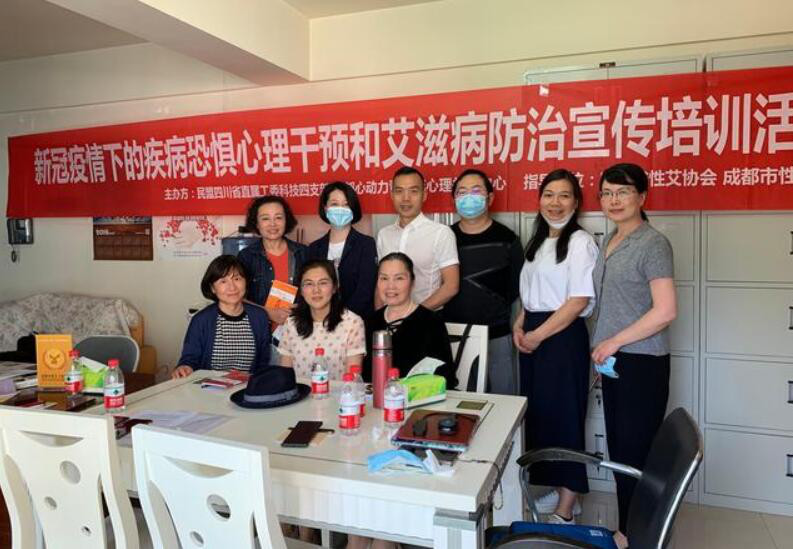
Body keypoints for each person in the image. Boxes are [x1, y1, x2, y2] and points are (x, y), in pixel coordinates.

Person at [590, 163, 677, 549]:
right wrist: (604, 351)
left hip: (642, 363)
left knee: (635, 454)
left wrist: (613, 342)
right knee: (621, 451)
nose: (614, 200)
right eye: (607, 193)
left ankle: (635, 535)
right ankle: (629, 529)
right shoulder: (610, 240)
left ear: (642, 196)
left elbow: (665, 311)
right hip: (615, 363)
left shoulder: (653, 243)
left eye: (623, 192)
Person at [514, 169, 598, 525]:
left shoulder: (580, 242)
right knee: (543, 416)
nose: (555, 203)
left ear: (576, 202)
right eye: (548, 195)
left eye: (564, 195)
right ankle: (564, 492)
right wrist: (520, 324)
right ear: (539, 200)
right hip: (536, 332)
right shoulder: (537, 242)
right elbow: (532, 293)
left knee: (565, 417)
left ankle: (566, 508)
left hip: (561, 338)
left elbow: (577, 301)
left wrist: (537, 334)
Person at [442, 169, 523, 395]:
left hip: (497, 336)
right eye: (462, 192)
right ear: (454, 199)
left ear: (490, 197)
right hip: (453, 336)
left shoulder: (507, 239)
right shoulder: (444, 238)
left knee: (503, 403)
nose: (469, 197)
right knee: (457, 404)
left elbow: (517, 288)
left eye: (476, 191)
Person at [365, 253, 456, 387]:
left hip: (420, 397)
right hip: (375, 397)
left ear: (412, 282)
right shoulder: (371, 322)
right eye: (384, 278)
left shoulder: (430, 321)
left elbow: (445, 376)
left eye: (399, 278)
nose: (391, 286)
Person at [172, 255, 271, 378]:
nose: (232, 287)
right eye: (223, 281)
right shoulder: (201, 320)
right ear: (212, 288)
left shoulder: (259, 317)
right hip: (207, 386)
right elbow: (189, 360)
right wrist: (184, 368)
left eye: (237, 279)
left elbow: (263, 362)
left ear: (246, 282)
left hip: (247, 387)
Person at [375, 166, 459, 310]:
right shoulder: (384, 234)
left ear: (424, 195)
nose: (406, 198)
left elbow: (451, 286)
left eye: (413, 191)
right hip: (390, 317)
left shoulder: (441, 233)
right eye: (399, 191)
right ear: (392, 195)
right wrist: (379, 316)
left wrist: (415, 315)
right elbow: (381, 281)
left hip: (426, 318)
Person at [278, 259, 366, 380]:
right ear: (301, 290)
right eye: (309, 284)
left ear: (335, 287)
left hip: (340, 392)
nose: (316, 290)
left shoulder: (353, 323)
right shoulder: (291, 323)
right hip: (299, 392)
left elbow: (353, 379)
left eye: (323, 283)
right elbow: (285, 377)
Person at [307, 181, 377, 320]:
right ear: (325, 208)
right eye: (334, 204)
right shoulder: (314, 248)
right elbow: (309, 288)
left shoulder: (366, 244)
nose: (340, 209)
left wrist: (339, 319)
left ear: (353, 209)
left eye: (346, 204)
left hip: (356, 322)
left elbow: (365, 291)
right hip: (321, 323)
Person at [237, 195, 307, 328]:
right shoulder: (247, 256)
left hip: (298, 330)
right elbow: (237, 297)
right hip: (260, 331)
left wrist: (303, 307)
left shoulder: (303, 253)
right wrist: (267, 312)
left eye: (278, 217)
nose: (273, 224)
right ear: (257, 223)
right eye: (265, 218)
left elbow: (315, 290)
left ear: (286, 220)